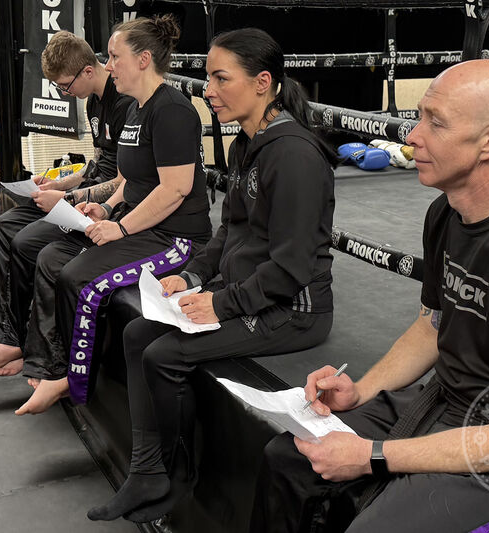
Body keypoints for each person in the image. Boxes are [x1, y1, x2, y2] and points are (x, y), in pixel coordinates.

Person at [250, 59, 489, 533]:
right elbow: (432, 326)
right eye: (420, 117)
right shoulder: (446, 213)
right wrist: (362, 390)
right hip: (450, 402)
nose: (412, 136)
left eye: (435, 122)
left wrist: (371, 456)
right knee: (289, 458)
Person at [87, 28, 336, 524]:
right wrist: (194, 274)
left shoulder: (294, 157)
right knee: (138, 332)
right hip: (254, 294)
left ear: (262, 82)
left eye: (221, 79)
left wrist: (221, 305)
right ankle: (147, 470)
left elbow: (291, 269)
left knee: (163, 355)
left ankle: (172, 479)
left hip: (294, 312)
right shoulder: (249, 143)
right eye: (208, 78)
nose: (208, 90)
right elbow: (231, 229)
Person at [14, 15, 213, 416]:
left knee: (80, 280)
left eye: (115, 57)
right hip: (143, 225)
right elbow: (133, 179)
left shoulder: (173, 110)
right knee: (56, 261)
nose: (108, 65)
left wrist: (120, 227)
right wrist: (104, 207)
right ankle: (51, 366)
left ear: (142, 60)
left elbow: (175, 189)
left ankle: (73, 380)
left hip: (177, 239)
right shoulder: (138, 109)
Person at [0, 31, 133, 378]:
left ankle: (28, 345)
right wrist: (58, 183)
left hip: (102, 205)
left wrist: (67, 198)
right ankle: (6, 337)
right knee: (3, 228)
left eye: (64, 86)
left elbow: (122, 181)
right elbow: (96, 164)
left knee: (25, 244)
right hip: (82, 191)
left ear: (87, 71)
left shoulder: (126, 103)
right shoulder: (93, 103)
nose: (64, 93)